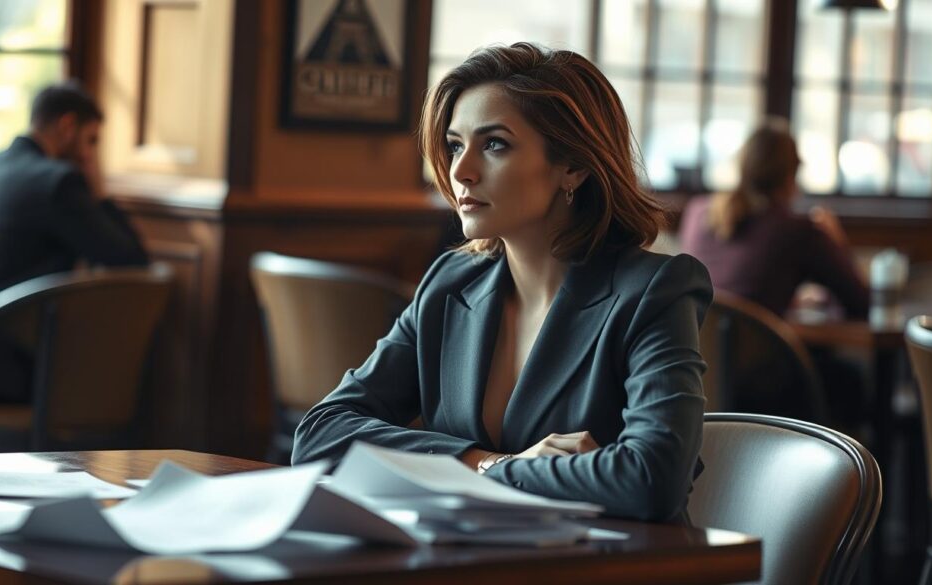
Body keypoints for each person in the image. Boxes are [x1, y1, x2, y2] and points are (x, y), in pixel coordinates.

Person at [292, 43, 713, 522]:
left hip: (610, 558)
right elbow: (320, 435)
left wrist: (483, 473)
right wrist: (486, 464)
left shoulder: (654, 290)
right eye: (455, 145)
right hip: (465, 552)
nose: (460, 171)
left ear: (573, 166)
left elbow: (653, 478)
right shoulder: (450, 284)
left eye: (494, 144)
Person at [0, 81, 148, 402]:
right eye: (91, 140)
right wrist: (99, 191)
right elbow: (130, 257)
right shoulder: (58, 183)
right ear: (67, 125)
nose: (90, 154)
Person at [678, 118, 869, 319]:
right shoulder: (799, 232)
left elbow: (733, 289)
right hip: (757, 340)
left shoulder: (697, 211)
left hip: (694, 338)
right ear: (791, 176)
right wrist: (837, 241)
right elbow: (861, 302)